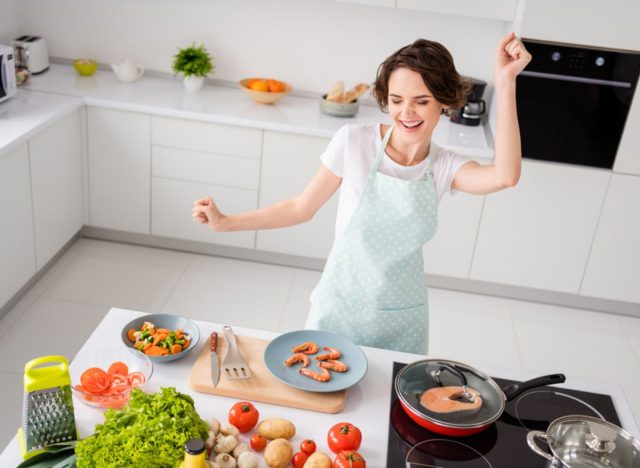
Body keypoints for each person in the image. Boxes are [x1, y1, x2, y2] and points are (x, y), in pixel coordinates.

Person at [192, 33, 531, 355]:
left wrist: (506, 83)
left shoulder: (443, 166)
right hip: (340, 305)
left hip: (403, 316)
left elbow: (505, 176)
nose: (406, 113)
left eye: (421, 101)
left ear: (443, 102)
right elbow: (300, 207)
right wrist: (226, 222)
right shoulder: (354, 142)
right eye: (397, 101)